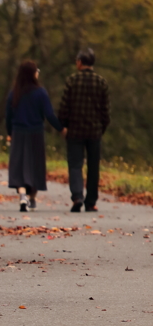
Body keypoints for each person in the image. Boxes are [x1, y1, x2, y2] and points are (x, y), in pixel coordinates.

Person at [6, 60, 64, 212]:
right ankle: (32, 197)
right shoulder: (40, 92)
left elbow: (8, 115)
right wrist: (61, 128)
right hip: (36, 133)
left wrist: (9, 133)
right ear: (32, 74)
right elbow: (49, 114)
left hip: (18, 132)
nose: (38, 72)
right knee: (35, 165)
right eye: (36, 70)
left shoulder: (14, 93)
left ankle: (22, 196)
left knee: (18, 166)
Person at [58, 48, 110, 212]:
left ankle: (77, 196)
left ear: (80, 62)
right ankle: (91, 201)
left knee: (75, 164)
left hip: (75, 130)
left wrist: (63, 125)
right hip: (94, 131)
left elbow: (64, 106)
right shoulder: (101, 82)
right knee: (93, 166)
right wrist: (102, 127)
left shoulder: (72, 81)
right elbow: (105, 110)